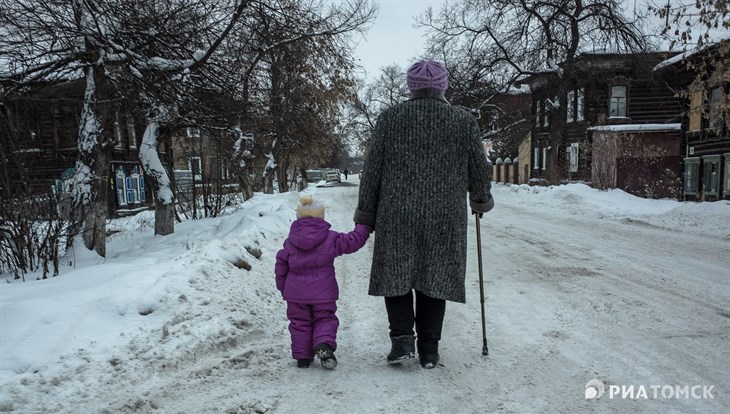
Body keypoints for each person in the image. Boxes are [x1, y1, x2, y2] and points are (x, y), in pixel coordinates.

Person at [353, 59, 494, 369]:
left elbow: (372, 170)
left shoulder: (390, 118)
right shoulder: (463, 120)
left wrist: (366, 213)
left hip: (396, 213)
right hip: (445, 216)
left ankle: (402, 341)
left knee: (397, 276)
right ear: (443, 86)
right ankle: (429, 349)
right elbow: (479, 169)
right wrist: (481, 199)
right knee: (435, 277)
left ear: (410, 87)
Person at [275, 195, 372, 369]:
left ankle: (303, 358)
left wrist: (284, 289)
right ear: (321, 217)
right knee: (325, 319)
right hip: (323, 294)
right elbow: (353, 241)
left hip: (296, 295)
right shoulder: (330, 238)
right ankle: (323, 344)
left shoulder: (290, 243)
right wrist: (364, 226)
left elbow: (280, 267)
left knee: (299, 323)